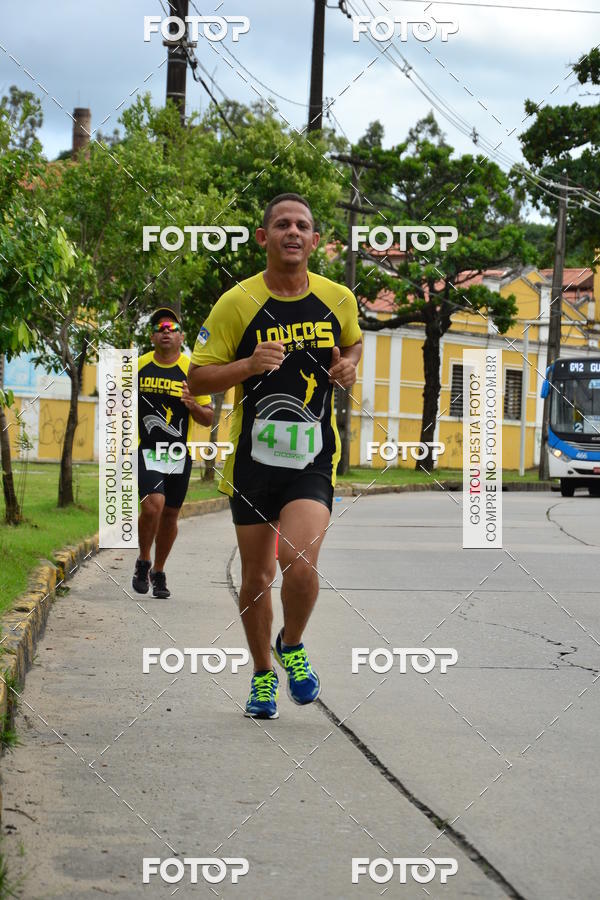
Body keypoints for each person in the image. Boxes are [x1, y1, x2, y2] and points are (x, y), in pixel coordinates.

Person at [188, 194, 362, 719]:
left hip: (312, 457)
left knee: (301, 561)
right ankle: (264, 674)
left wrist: (350, 365)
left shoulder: (339, 299)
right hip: (253, 463)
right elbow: (196, 377)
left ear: (314, 241)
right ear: (264, 238)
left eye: (302, 225)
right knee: (257, 576)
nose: (292, 231)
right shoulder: (236, 303)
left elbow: (353, 345)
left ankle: (292, 643)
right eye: (282, 224)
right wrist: (247, 365)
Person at [132, 308, 213, 599]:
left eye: (172, 326)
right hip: (147, 449)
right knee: (153, 505)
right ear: (152, 335)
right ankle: (143, 560)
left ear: (181, 336)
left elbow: (208, 418)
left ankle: (159, 570)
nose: (166, 330)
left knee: (170, 515)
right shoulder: (137, 366)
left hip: (178, 451)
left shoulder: (192, 370)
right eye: (160, 326)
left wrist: (192, 404)